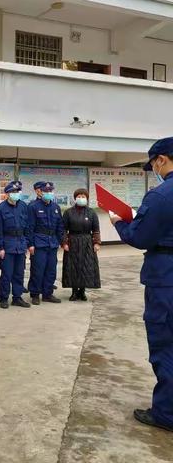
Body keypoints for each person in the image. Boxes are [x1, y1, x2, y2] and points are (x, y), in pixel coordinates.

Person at [111, 136, 173, 432]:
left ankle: (166, 414)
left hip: (166, 279)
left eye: (153, 165)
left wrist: (119, 222)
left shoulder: (161, 196)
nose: (154, 170)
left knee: (165, 344)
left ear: (162, 160)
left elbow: (140, 237)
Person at [0, 181, 30, 309]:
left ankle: (17, 297)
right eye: (13, 192)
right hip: (7, 244)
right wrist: (0, 247)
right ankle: (3, 298)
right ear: (7, 194)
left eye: (17, 192)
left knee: (19, 273)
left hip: (20, 243)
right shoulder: (0, 209)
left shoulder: (23, 206)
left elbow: (27, 227)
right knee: (7, 273)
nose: (16, 194)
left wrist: (26, 242)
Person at [27, 182, 64, 305]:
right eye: (46, 191)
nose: (49, 193)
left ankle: (47, 293)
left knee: (51, 270)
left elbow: (60, 226)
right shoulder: (33, 206)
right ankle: (35, 294)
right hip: (39, 242)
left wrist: (60, 241)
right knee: (38, 270)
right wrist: (30, 244)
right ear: (40, 192)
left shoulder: (56, 207)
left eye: (50, 191)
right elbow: (29, 227)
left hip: (52, 242)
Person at [62, 189, 101, 301]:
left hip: (87, 242)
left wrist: (97, 243)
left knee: (86, 266)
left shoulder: (91, 212)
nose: (81, 198)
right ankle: (74, 292)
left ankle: (82, 292)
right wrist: (64, 242)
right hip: (72, 241)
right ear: (75, 198)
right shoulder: (68, 212)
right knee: (72, 267)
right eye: (79, 196)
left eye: (84, 196)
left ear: (87, 198)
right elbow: (63, 229)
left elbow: (96, 229)